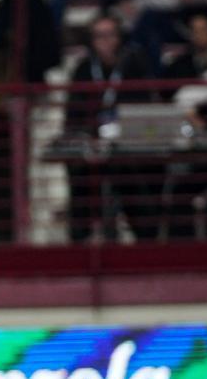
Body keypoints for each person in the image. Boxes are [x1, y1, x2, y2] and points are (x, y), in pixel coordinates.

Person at [66, 14, 155, 242]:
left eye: (110, 35)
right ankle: (80, 241)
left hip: (127, 148)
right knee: (80, 180)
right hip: (92, 148)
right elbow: (72, 114)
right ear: (91, 41)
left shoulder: (134, 63)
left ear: (120, 38)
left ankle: (147, 242)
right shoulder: (83, 69)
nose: (105, 41)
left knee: (135, 181)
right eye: (99, 36)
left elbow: (146, 107)